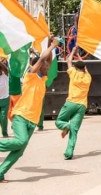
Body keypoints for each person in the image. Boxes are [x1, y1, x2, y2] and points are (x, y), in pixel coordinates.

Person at [0, 37, 59, 182]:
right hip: (21, 116)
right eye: (44, 66)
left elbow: (48, 60)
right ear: (38, 66)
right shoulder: (30, 76)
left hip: (32, 121)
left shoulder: (42, 79)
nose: (47, 68)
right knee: (21, 141)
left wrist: (50, 44)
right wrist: (52, 47)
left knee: (19, 151)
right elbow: (43, 58)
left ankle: (0, 172)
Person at [55, 46, 92, 160]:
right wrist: (80, 56)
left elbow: (69, 61)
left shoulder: (73, 73)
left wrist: (73, 51)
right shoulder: (88, 77)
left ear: (76, 67)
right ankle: (69, 153)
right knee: (74, 131)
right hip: (82, 106)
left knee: (59, 122)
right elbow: (84, 67)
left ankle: (67, 126)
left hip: (71, 102)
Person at [0, 59, 9, 137]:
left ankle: (4, 133)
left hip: (5, 99)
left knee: (3, 117)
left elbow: (5, 69)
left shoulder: (5, 74)